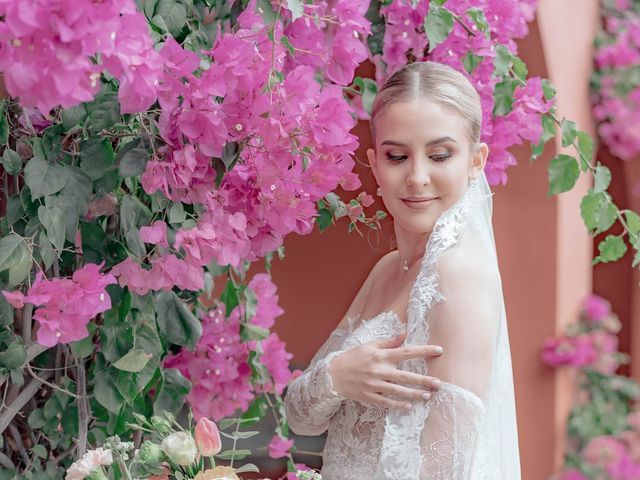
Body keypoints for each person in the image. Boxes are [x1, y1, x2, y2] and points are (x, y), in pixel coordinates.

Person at [283, 61, 520, 479]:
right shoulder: (388, 268)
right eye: (397, 156)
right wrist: (338, 375)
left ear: (476, 160)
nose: (417, 177)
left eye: (440, 155)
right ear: (374, 164)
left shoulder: (458, 276)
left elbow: (443, 470)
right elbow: (300, 416)